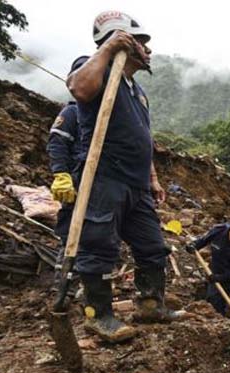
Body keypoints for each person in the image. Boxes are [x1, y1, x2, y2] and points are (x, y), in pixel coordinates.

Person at [66, 11, 181, 343]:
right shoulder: (95, 67)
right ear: (125, 41)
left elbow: (142, 137)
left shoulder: (138, 92)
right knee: (100, 246)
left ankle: (149, 304)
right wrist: (106, 51)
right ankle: (98, 316)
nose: (149, 51)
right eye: (144, 43)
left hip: (137, 184)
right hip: (104, 176)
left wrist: (154, 178)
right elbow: (78, 89)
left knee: (152, 247)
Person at [47, 101, 81, 291]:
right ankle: (63, 287)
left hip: (101, 186)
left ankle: (85, 285)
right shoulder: (73, 112)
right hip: (76, 183)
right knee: (71, 234)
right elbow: (57, 143)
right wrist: (61, 174)